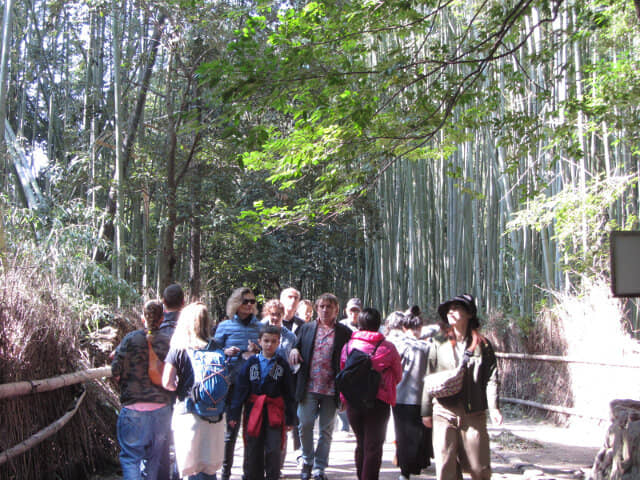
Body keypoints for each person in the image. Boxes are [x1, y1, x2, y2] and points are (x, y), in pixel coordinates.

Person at [421, 294, 502, 480]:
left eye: (457, 307)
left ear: (469, 314)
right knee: (445, 466)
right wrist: (425, 410)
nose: (451, 312)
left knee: (479, 468)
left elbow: (491, 377)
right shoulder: (438, 341)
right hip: (443, 410)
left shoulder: (483, 344)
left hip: (473, 412)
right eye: (449, 309)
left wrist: (494, 407)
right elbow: (429, 375)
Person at [289, 293, 352, 480]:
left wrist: (346, 393)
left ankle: (319, 467)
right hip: (308, 386)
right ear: (317, 308)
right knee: (305, 423)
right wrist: (294, 350)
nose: (325, 310)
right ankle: (307, 460)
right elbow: (296, 345)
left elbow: (350, 360)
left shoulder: (344, 332)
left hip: (332, 388)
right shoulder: (306, 328)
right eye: (322, 306)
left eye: (329, 307)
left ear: (336, 310)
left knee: (326, 429)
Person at [162, 302, 226, 480]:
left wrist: (177, 387)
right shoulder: (217, 347)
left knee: (189, 469)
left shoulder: (179, 349)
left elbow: (167, 382)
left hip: (188, 412)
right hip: (214, 415)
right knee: (208, 470)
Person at [111, 300, 174, 480]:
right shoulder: (169, 342)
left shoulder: (130, 339)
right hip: (162, 410)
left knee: (131, 459)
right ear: (162, 319)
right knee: (153, 459)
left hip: (134, 410)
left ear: (142, 318)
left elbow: (115, 371)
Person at [340, 308, 402, 480]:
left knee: (361, 443)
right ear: (378, 324)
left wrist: (344, 399)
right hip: (378, 401)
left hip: (354, 402)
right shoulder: (388, 348)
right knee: (373, 447)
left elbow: (343, 373)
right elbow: (398, 374)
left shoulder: (348, 346)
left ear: (359, 324)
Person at [228, 325, 296, 480]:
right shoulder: (251, 363)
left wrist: (291, 418)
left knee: (273, 449)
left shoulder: (282, 364)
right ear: (259, 341)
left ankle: (273, 475)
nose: (269, 344)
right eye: (266, 341)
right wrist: (234, 414)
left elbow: (289, 393)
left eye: (273, 341)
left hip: (275, 412)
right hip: (254, 410)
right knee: (253, 447)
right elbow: (240, 390)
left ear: (279, 342)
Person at [214, 287, 263, 480]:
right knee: (230, 432)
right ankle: (225, 473)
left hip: (253, 385)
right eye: (246, 301)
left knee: (252, 431)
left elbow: (268, 355)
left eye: (252, 301)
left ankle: (248, 473)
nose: (250, 305)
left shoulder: (259, 327)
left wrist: (257, 351)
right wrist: (225, 353)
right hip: (231, 384)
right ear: (236, 303)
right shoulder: (224, 326)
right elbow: (213, 353)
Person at [386, 311, 432, 480]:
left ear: (404, 328)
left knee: (402, 435)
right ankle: (416, 466)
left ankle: (404, 472)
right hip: (421, 397)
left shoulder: (396, 345)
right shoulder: (427, 347)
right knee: (418, 434)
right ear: (420, 328)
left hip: (399, 395)